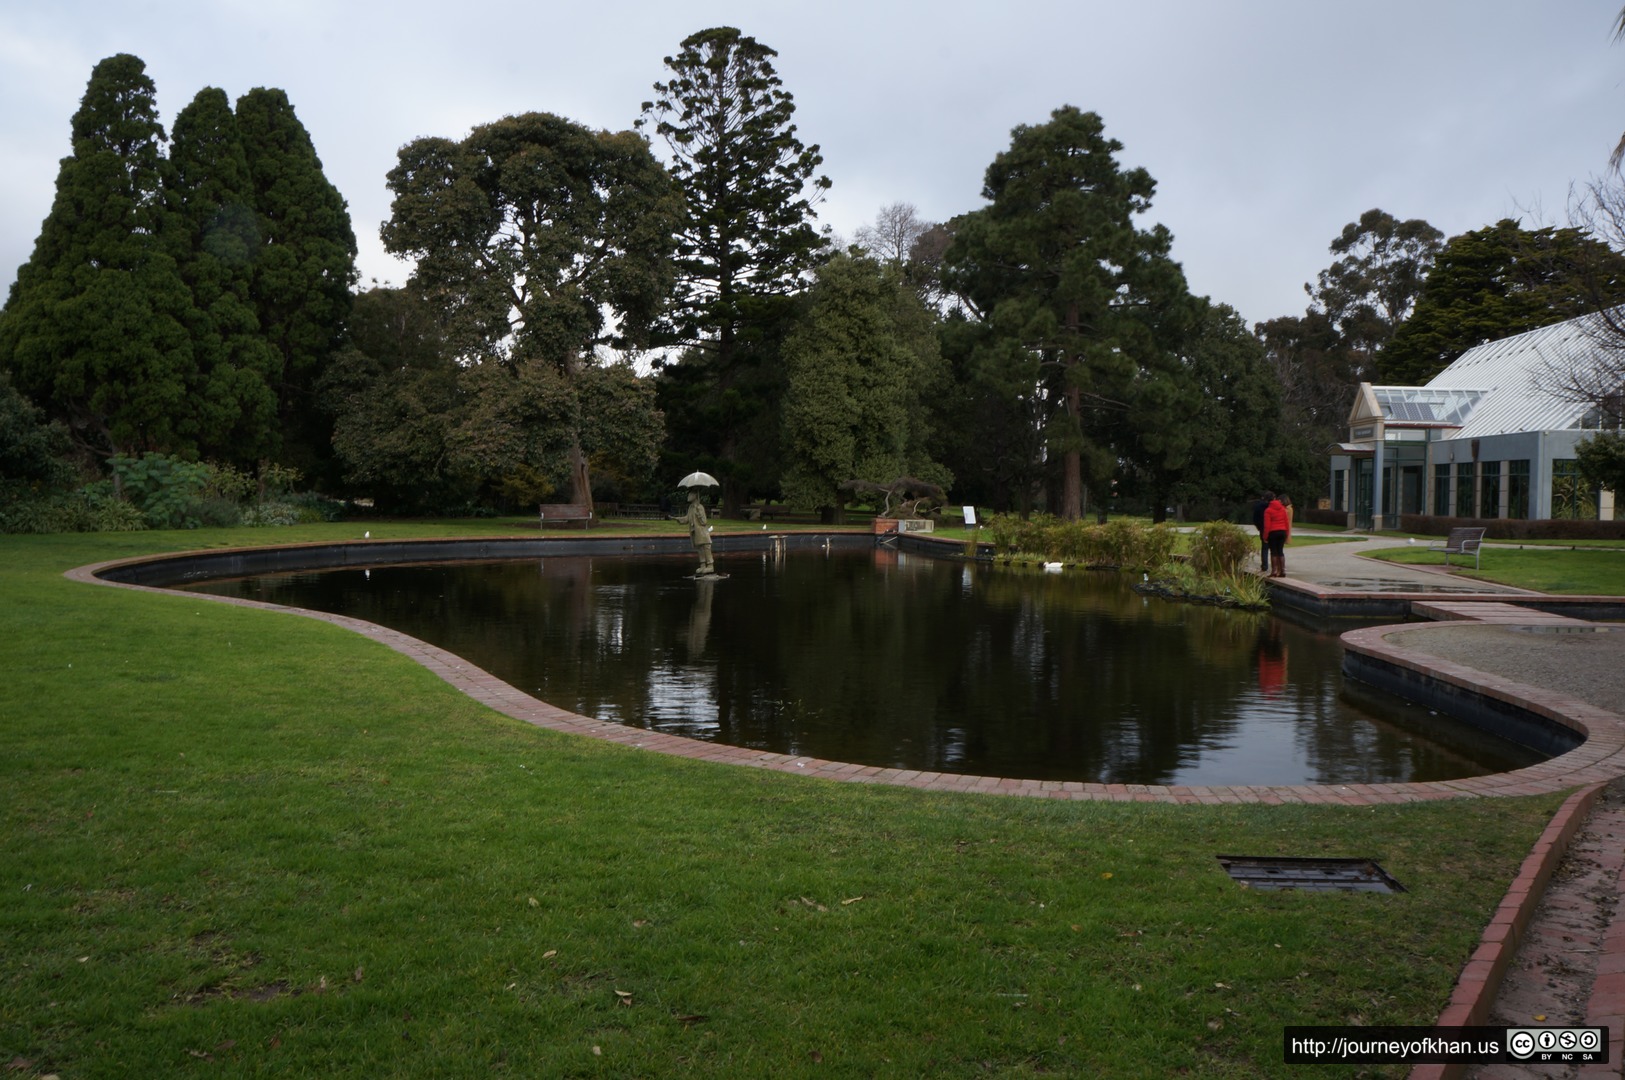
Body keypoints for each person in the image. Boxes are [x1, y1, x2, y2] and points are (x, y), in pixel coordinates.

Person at [682, 489, 714, 576]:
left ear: (695, 496)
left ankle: (710, 565)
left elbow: (704, 522)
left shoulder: (699, 507)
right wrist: (678, 519)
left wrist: (699, 513)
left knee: (706, 548)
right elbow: (687, 519)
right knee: (700, 549)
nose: (688, 497)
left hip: (702, 533)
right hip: (695, 532)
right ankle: (703, 565)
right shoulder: (691, 507)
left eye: (690, 495)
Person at [1262, 491, 1291, 578]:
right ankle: (1282, 570)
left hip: (1273, 532)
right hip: (1282, 531)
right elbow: (1286, 522)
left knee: (1274, 552)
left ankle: (1274, 571)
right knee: (1280, 552)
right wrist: (1286, 533)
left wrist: (1265, 536)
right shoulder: (1282, 509)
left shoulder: (1268, 510)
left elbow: (1267, 525)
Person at [1251, 493, 1271, 574]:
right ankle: (1277, 567)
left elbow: (1255, 518)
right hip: (1274, 529)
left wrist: (1259, 527)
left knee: (1265, 548)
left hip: (1263, 528)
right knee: (1276, 550)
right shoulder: (1273, 507)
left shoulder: (1258, 506)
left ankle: (1264, 566)